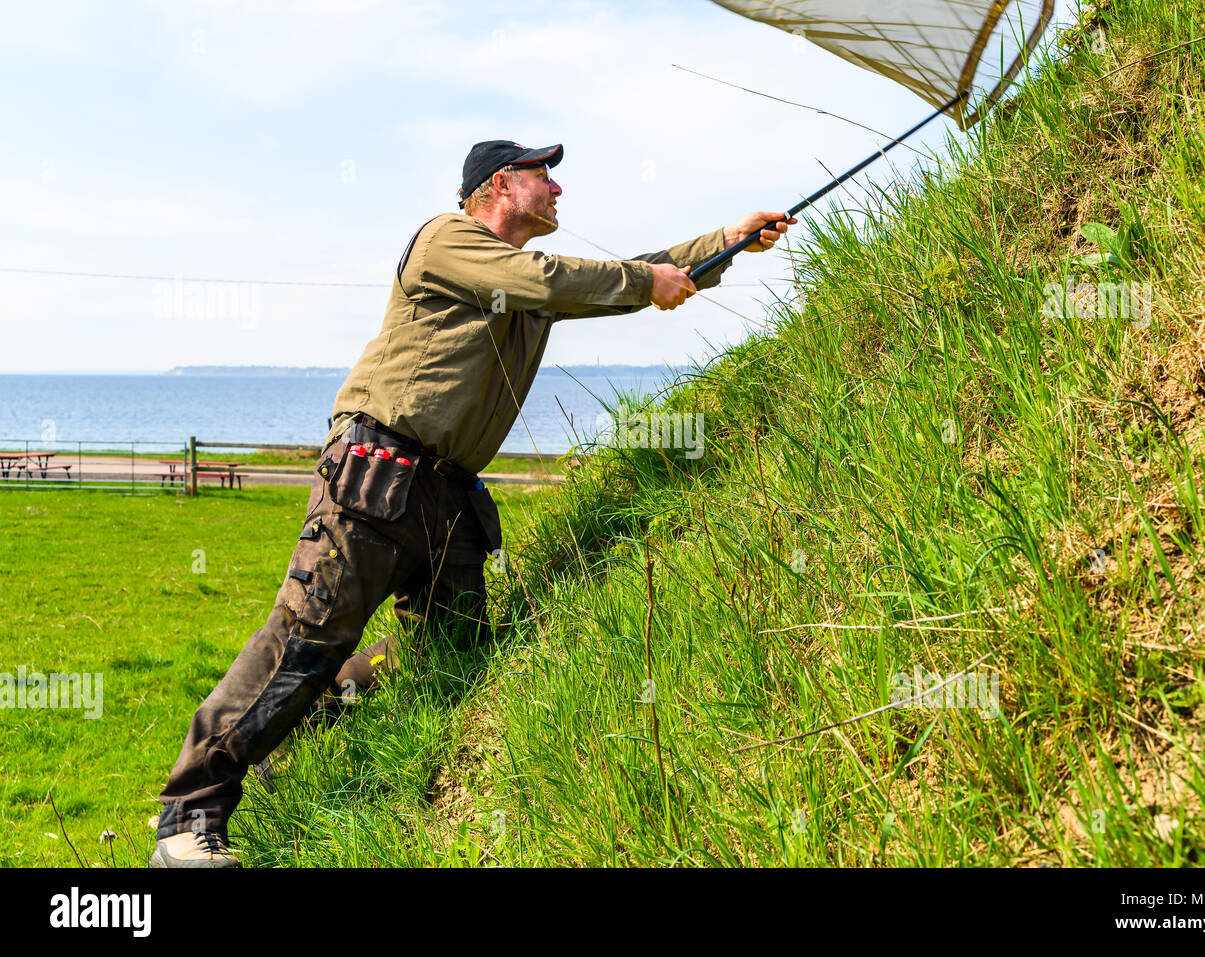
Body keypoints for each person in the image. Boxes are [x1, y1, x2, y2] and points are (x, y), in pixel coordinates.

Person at [149, 139, 795, 867]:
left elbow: (625, 271)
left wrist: (731, 242)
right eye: (542, 174)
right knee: (304, 636)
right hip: (376, 474)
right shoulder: (446, 239)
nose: (557, 187)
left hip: (449, 501)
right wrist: (648, 282)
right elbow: (561, 278)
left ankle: (309, 713)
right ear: (498, 184)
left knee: (447, 657)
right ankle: (186, 819)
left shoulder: (525, 292)